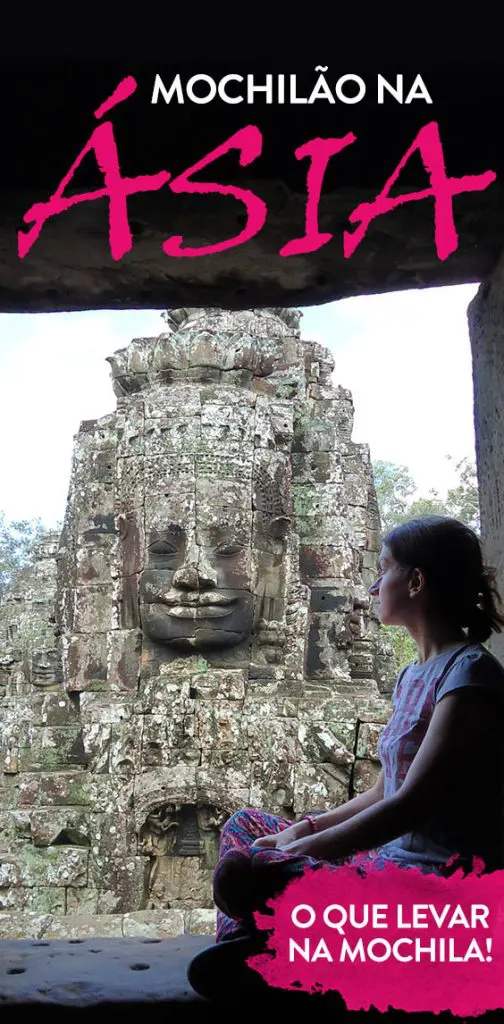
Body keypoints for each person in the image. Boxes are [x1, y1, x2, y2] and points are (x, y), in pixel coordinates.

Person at [188, 516, 504, 998]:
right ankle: (259, 948)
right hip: (387, 869)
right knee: (244, 828)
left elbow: (409, 805)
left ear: (416, 581)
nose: (374, 586)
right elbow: (384, 788)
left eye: (384, 570)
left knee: (252, 870)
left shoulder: (470, 674)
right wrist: (302, 829)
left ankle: (280, 961)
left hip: (436, 890)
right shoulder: (411, 676)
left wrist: (292, 854)